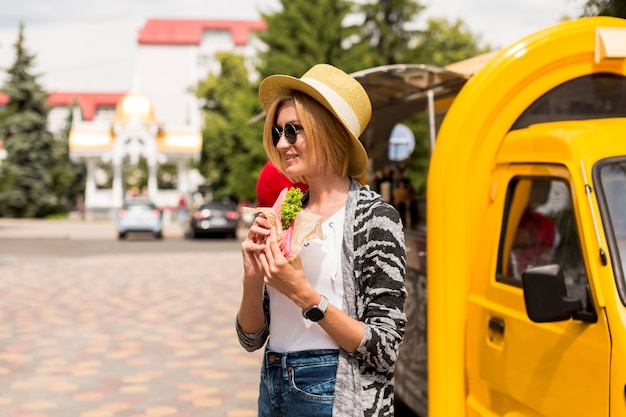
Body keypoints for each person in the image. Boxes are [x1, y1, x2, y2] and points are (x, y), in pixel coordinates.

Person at [236, 64, 407, 417]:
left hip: (333, 391)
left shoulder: (374, 218)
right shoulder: (286, 213)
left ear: (327, 132)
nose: (282, 143)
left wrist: (304, 295)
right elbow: (251, 339)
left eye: (294, 131)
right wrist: (252, 278)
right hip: (273, 385)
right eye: (278, 131)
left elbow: (386, 348)